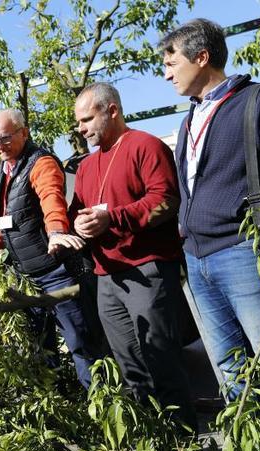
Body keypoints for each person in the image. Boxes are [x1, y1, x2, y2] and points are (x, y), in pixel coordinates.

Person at [159, 18, 260, 451]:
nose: (167, 74)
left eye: (171, 63)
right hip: (198, 258)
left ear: (202, 57)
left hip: (243, 254)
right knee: (230, 372)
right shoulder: (191, 117)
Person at [66, 82, 195, 427]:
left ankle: (186, 449)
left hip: (147, 270)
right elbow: (77, 211)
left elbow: (166, 201)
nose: (81, 128)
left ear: (112, 110)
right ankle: (155, 446)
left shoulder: (146, 146)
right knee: (130, 366)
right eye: (78, 122)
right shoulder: (86, 167)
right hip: (106, 275)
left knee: (163, 361)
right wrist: (76, 226)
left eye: (86, 119)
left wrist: (113, 217)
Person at [0, 108, 101, 389]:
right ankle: (60, 408)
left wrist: (57, 231)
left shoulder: (40, 163)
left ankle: (102, 405)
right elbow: (13, 225)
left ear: (24, 132)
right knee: (41, 350)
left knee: (80, 344)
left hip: (55, 272)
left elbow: (51, 199)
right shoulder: (5, 171)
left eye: (5, 137)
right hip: (26, 277)